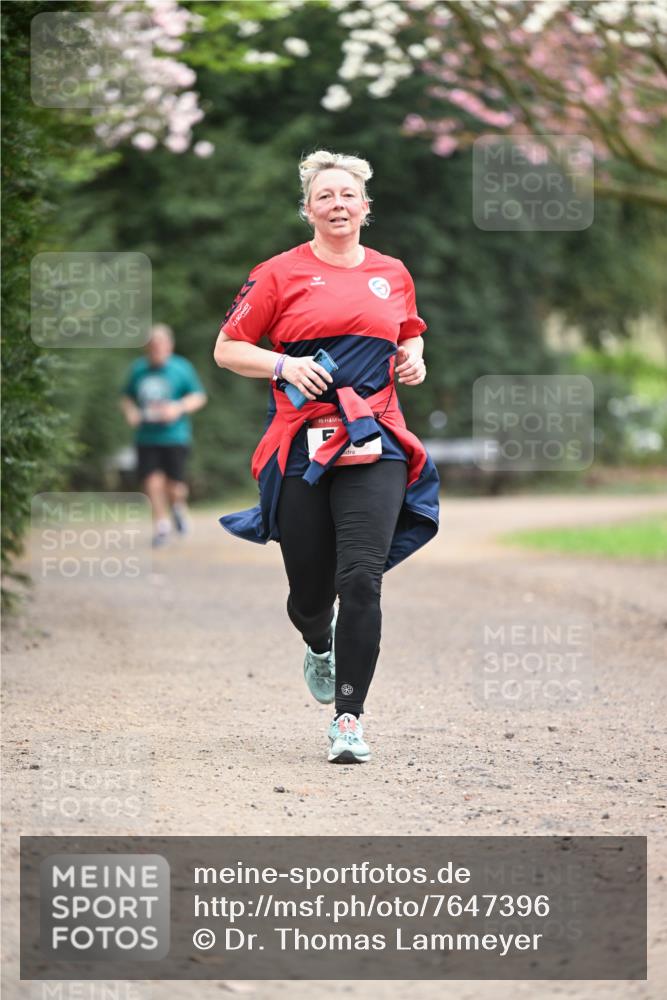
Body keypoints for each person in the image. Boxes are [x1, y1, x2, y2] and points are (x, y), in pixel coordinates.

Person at [214, 150, 439, 763]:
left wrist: (414, 356)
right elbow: (228, 349)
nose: (338, 205)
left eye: (348, 195)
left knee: (361, 580)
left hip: (376, 436)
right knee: (311, 592)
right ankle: (318, 642)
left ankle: (348, 720)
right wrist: (285, 363)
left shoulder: (392, 271)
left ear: (366, 207)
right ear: (308, 209)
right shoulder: (278, 274)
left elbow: (408, 328)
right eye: (325, 197)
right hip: (302, 440)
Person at [121, 324, 207, 546]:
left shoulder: (181, 368)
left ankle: (178, 507)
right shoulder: (138, 369)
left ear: (170, 346)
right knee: (151, 481)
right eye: (152, 346)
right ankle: (161, 526)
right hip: (146, 437)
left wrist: (177, 408)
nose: (156, 350)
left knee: (175, 486)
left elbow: (199, 396)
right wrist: (131, 413)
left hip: (175, 436)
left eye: (160, 345)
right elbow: (126, 397)